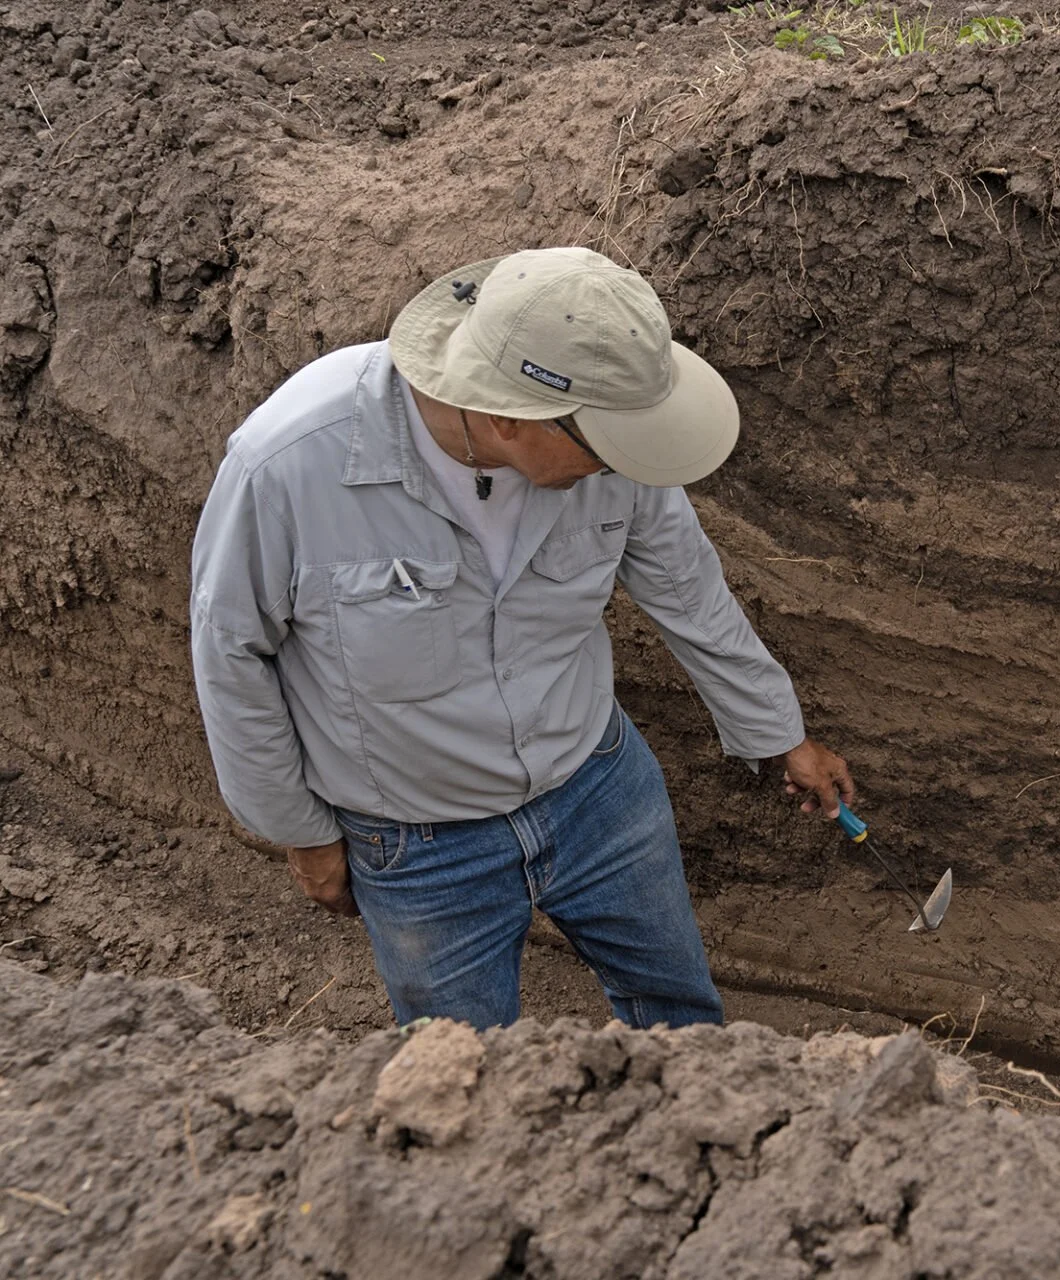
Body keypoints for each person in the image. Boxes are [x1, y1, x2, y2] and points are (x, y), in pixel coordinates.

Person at [188, 246, 853, 1030]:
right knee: (466, 1081)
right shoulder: (291, 466)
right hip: (420, 843)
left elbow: (688, 589)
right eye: (608, 443)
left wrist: (782, 735)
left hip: (599, 792)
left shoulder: (609, 459)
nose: (626, 463)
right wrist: (303, 835)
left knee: (683, 1028)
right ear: (509, 416)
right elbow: (232, 656)